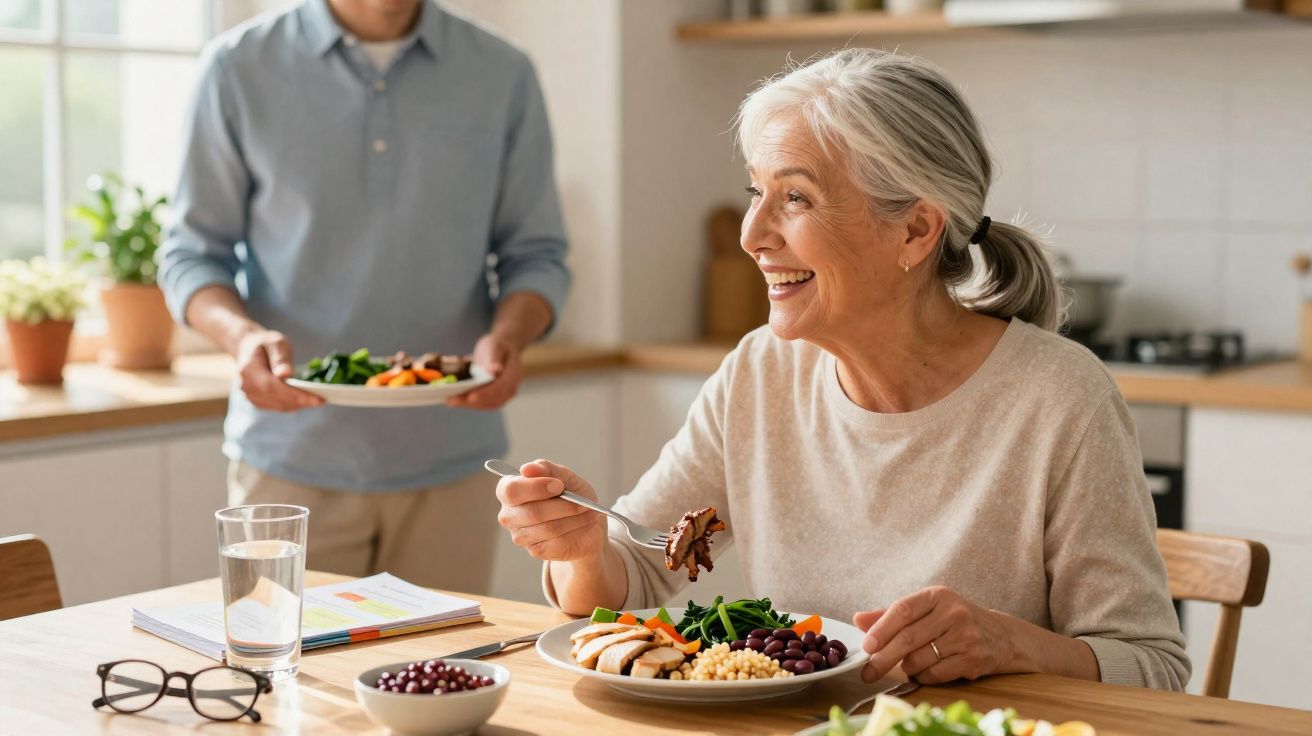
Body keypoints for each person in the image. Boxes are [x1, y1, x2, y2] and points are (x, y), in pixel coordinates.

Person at [493, 49, 1189, 691]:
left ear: (916, 231)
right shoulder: (761, 375)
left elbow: (1153, 666)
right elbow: (635, 573)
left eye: (794, 198)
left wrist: (1013, 646)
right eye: (756, 192)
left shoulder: (1059, 397)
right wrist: (583, 550)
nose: (750, 233)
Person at [160, 0, 569, 594]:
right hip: (290, 465)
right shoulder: (236, 67)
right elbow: (191, 256)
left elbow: (538, 255)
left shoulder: (503, 72)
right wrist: (242, 338)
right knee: (281, 676)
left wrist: (508, 336)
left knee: (443, 678)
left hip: (451, 465)